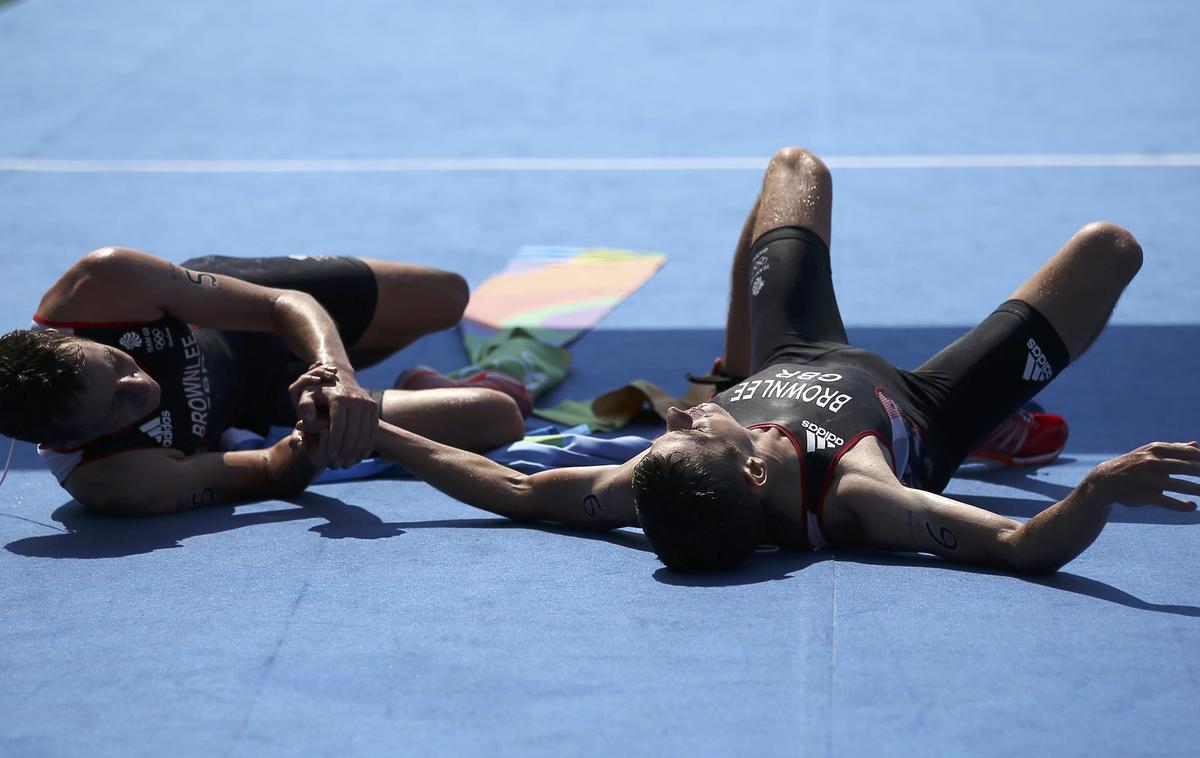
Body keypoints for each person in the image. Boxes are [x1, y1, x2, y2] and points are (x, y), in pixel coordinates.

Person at [297, 146, 1199, 575]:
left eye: (677, 429)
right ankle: (995, 415)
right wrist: (1098, 491)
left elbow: (512, 489)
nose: (679, 418)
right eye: (699, 429)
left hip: (787, 352)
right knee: (1110, 247)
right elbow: (1015, 544)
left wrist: (382, 432)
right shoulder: (859, 499)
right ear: (760, 462)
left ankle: (741, 358)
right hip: (931, 404)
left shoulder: (656, 482)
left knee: (796, 169)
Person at [0, 249, 527, 515]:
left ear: (65, 336)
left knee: (447, 296)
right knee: (496, 415)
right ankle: (407, 383)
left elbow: (284, 305)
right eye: (118, 406)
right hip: (271, 407)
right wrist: (315, 439)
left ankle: (368, 368)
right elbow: (270, 471)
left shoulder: (103, 282)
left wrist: (334, 372)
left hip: (249, 317)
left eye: (116, 363)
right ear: (70, 440)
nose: (140, 385)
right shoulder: (112, 481)